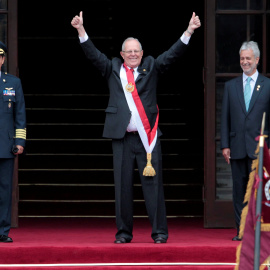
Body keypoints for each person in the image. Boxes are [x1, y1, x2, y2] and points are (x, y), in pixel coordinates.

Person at [71, 11, 201, 244]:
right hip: (121, 137)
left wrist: (189, 30)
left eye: (136, 51)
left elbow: (172, 55)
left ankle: (159, 232)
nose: (132, 54)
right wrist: (81, 30)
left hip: (147, 137)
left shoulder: (151, 66)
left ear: (142, 54)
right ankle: (123, 233)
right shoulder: (112, 68)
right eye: (128, 51)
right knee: (122, 188)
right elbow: (93, 55)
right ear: (122, 54)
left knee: (153, 187)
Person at [221, 41, 270, 241]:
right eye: (242, 58)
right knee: (239, 190)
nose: (244, 62)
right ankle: (241, 230)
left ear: (257, 60)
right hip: (237, 147)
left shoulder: (268, 85)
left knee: (260, 191)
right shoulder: (230, 86)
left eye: (248, 58)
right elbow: (225, 118)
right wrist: (225, 145)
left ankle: (260, 230)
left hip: (260, 149)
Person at [0, 42, 26, 243]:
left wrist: (20, 140)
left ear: (2, 59)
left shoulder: (13, 83)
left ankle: (2, 230)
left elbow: (19, 114)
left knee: (5, 189)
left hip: (5, 146)